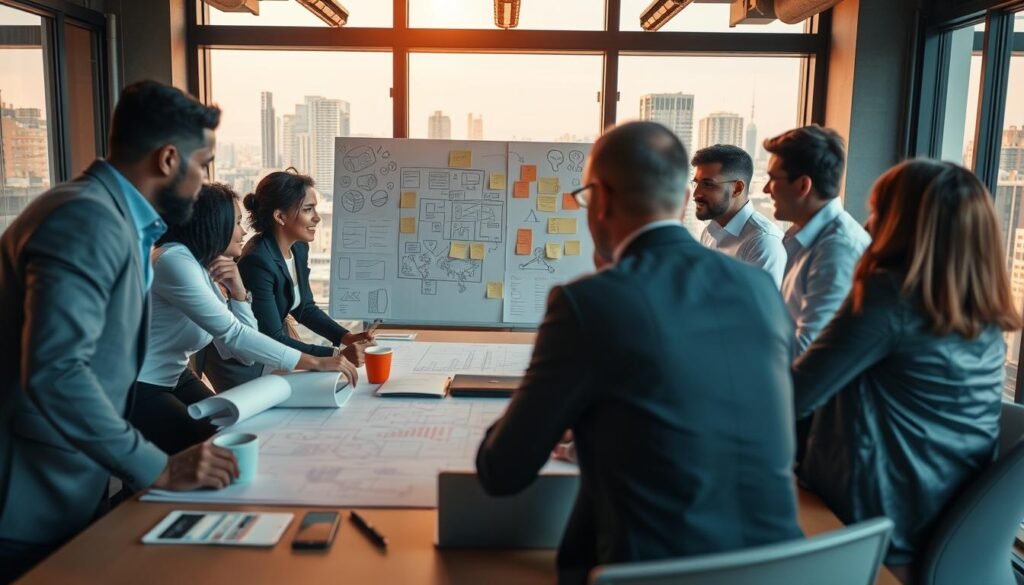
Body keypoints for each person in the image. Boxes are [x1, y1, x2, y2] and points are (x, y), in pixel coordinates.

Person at [476, 121, 803, 585]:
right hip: (783, 568)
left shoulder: (588, 302)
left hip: (650, 572)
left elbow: (501, 471)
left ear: (602, 199)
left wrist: (557, 406)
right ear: (680, 199)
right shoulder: (759, 288)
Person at [0, 80, 239, 582]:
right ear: (169, 159)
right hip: (26, 499)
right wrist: (158, 467)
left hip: (68, 480)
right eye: (203, 164)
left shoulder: (117, 219)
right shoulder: (87, 220)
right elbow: (57, 373)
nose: (203, 181)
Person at [792, 159, 1022, 583]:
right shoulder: (983, 318)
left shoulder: (890, 299)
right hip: (935, 523)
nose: (867, 221)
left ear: (905, 225)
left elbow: (793, 397)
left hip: (882, 542)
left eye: (879, 210)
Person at [133, 183, 360, 455]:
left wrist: (239, 294)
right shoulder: (174, 261)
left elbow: (240, 354)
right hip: (140, 384)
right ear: (214, 224)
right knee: (218, 449)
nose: (243, 232)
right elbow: (235, 336)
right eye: (237, 223)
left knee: (235, 433)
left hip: (175, 377)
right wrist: (315, 361)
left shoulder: (205, 266)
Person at [201, 170, 373, 391]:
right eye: (307, 209)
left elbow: (305, 308)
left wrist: (346, 337)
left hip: (274, 357)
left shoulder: (298, 248)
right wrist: (335, 355)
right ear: (280, 217)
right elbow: (271, 337)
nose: (317, 217)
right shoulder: (257, 261)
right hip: (244, 365)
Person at [763, 125, 871, 354]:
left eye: (772, 178)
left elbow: (808, 350)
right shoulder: (803, 238)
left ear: (803, 185)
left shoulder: (837, 249)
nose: (765, 189)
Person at [692, 144, 785, 287]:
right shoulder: (709, 232)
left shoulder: (763, 242)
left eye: (708, 184)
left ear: (737, 189)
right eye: (696, 183)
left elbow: (759, 307)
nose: (696, 193)